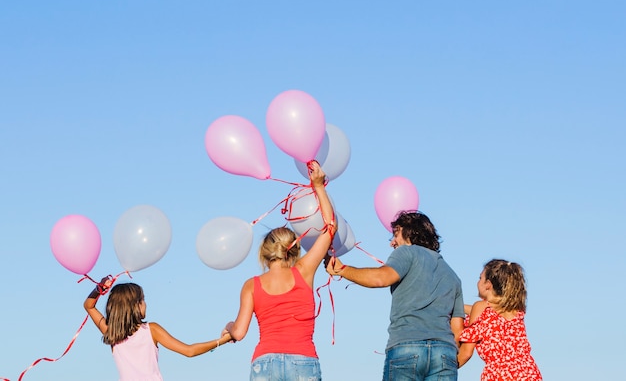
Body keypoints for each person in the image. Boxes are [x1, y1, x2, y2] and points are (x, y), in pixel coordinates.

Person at [224, 160, 336, 381]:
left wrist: (229, 327)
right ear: (293, 249)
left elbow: (238, 333)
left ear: (264, 252)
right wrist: (319, 187)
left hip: (264, 363)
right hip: (303, 361)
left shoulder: (251, 286)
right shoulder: (304, 271)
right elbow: (330, 226)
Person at [325, 210, 465, 381]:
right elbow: (457, 331)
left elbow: (380, 278)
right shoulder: (453, 276)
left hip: (407, 347)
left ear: (410, 233)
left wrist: (342, 269)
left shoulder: (407, 252)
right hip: (445, 353)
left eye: (395, 235)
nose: (392, 243)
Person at [84, 280, 230, 381]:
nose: (145, 304)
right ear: (135, 305)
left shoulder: (112, 333)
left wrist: (99, 288)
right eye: (143, 300)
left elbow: (89, 306)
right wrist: (222, 341)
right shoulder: (151, 330)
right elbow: (189, 351)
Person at [458, 259, 542, 380]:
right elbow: (490, 315)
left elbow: (466, 353)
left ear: (488, 284)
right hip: (529, 372)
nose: (478, 282)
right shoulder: (517, 309)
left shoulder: (480, 308)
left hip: (500, 375)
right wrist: (456, 306)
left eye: (480, 278)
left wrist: (442, 371)